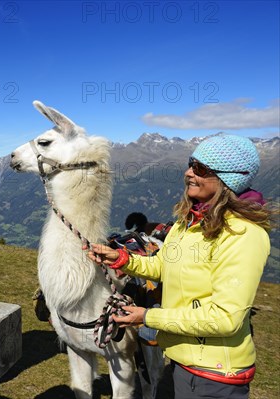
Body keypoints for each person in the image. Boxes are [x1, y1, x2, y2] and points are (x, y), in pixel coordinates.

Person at [89, 134, 272, 399]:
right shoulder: (190, 223)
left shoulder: (242, 233)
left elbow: (224, 318)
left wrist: (147, 317)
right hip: (185, 358)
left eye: (200, 169)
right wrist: (122, 259)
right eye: (190, 164)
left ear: (227, 178)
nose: (188, 173)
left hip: (216, 373)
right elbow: (164, 266)